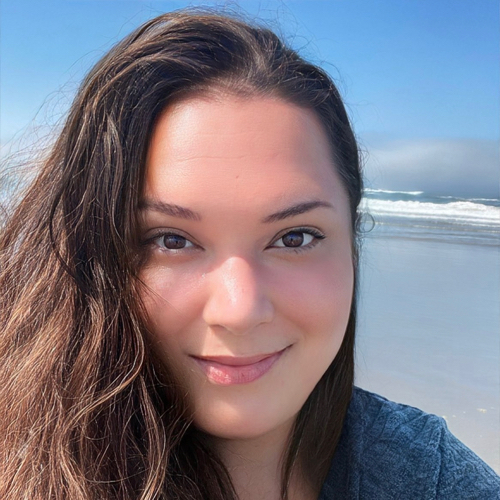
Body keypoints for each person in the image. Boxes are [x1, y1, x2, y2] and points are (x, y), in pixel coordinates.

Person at [0, 10, 498, 500]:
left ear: (352, 241)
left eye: (295, 237)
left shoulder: (431, 478)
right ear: (92, 254)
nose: (239, 312)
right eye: (171, 240)